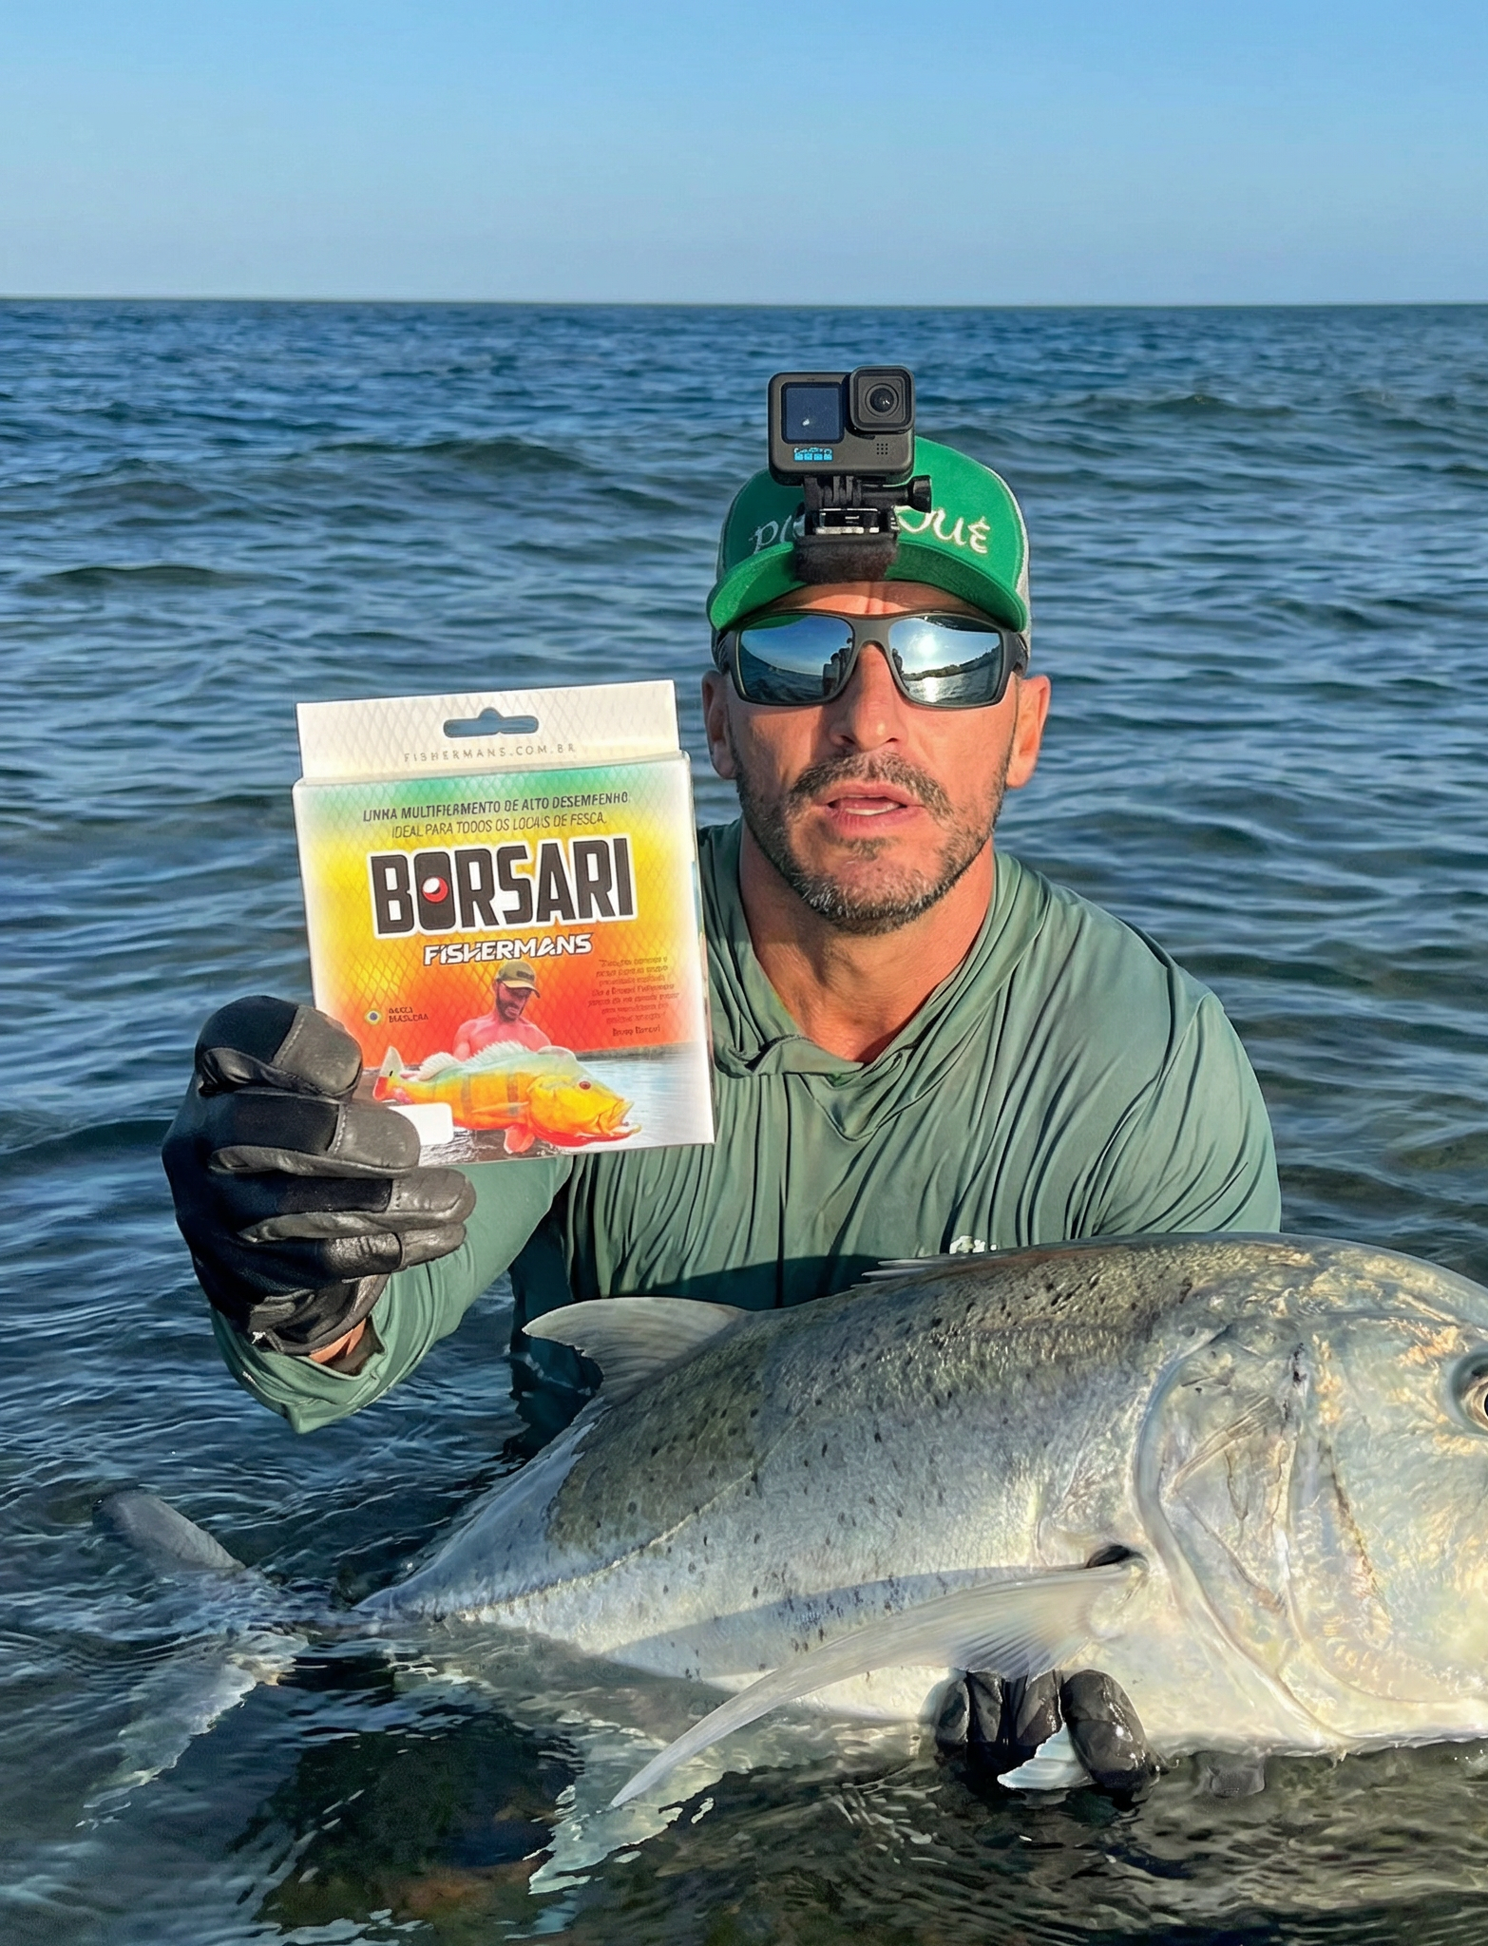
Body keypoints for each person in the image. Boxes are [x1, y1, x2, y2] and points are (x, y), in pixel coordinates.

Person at [162, 428, 1279, 1793]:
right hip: (578, 1574)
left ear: (1025, 725)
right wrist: (288, 1255)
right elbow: (350, 1343)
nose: (868, 721)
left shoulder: (1150, 1060)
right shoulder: (579, 971)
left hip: (928, 1684)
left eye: (945, 660)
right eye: (796, 659)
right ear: (714, 717)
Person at [451, 961, 549, 1059]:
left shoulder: (537, 1039)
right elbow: (458, 1068)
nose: (518, 1002)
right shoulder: (469, 1031)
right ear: (495, 986)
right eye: (513, 992)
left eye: (525, 996)